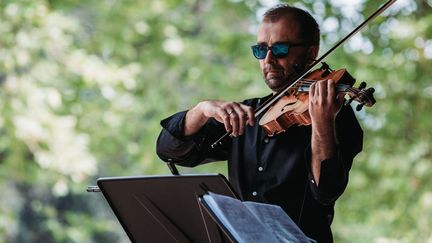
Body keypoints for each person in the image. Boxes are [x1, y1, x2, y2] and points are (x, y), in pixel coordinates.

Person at [156, 4, 363, 243]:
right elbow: (169, 150)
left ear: (310, 54)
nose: (268, 59)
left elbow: (326, 191)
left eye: (280, 49)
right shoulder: (248, 113)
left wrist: (322, 123)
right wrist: (202, 110)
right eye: (260, 50)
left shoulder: (336, 115)